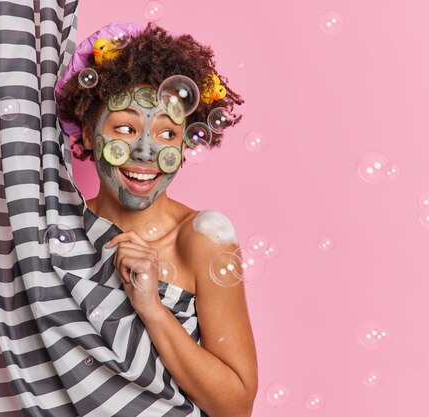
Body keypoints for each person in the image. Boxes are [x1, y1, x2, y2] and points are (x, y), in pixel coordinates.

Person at [55, 22, 258, 417]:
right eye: (126, 128)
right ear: (90, 132)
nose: (146, 151)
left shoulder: (203, 238)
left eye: (167, 134)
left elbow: (236, 407)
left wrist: (151, 308)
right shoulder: (59, 234)